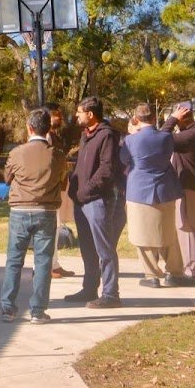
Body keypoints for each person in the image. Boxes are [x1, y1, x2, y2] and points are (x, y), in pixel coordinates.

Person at [0, 108, 68, 323]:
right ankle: (38, 310)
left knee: (14, 259)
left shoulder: (17, 153)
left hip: (19, 210)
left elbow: (7, 178)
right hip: (46, 212)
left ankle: (8, 308)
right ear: (49, 128)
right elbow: (63, 182)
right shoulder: (57, 155)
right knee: (44, 261)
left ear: (29, 128)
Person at [121, 103, 193, 287]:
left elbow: (123, 160)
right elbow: (165, 133)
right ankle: (174, 273)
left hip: (138, 190)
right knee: (168, 232)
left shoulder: (130, 140)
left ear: (136, 120)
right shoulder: (165, 138)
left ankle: (151, 275)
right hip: (164, 189)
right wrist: (173, 119)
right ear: (154, 119)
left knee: (141, 234)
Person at [65, 97, 127, 309]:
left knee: (104, 248)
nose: (77, 116)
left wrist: (85, 190)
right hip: (81, 201)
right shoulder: (86, 135)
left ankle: (111, 294)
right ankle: (89, 288)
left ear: (90, 114)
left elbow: (106, 171)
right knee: (87, 248)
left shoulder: (107, 135)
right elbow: (81, 167)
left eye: (79, 112)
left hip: (98, 201)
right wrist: (74, 188)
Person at [162, 102, 195, 282]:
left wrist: (172, 120)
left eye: (174, 115)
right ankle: (193, 268)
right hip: (193, 186)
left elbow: (159, 139)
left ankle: (191, 271)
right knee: (191, 228)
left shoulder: (190, 135)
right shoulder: (192, 132)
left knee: (186, 227)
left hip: (189, 187)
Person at [44, 101, 76, 279]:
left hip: (57, 188)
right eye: (56, 114)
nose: (60, 117)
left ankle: (54, 264)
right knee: (50, 228)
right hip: (50, 190)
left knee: (56, 227)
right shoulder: (45, 137)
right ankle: (47, 266)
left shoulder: (53, 135)